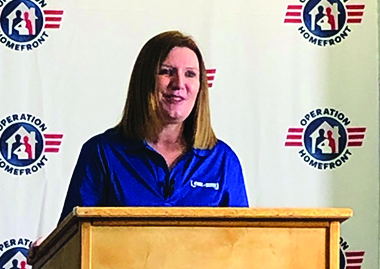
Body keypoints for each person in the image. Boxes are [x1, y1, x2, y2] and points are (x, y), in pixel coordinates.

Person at [59, 31, 248, 219]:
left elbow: (241, 243)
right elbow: (73, 239)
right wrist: (48, 247)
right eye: (166, 72)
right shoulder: (102, 154)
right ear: (144, 80)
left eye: (190, 74)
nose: (179, 84)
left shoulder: (222, 161)